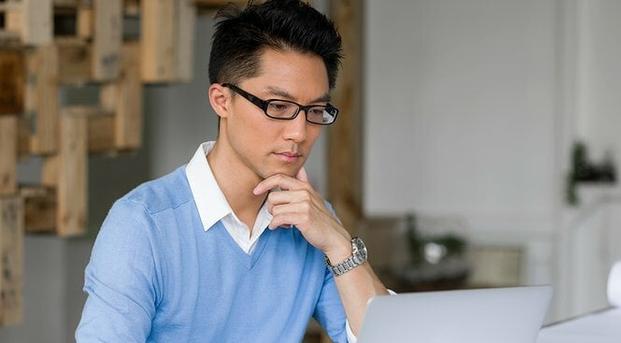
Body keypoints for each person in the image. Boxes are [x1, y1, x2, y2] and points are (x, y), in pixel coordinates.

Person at [75, 1, 389, 342]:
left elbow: (387, 338)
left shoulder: (312, 220)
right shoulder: (143, 224)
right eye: (278, 106)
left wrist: (340, 244)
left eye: (314, 110)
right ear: (221, 100)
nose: (299, 133)